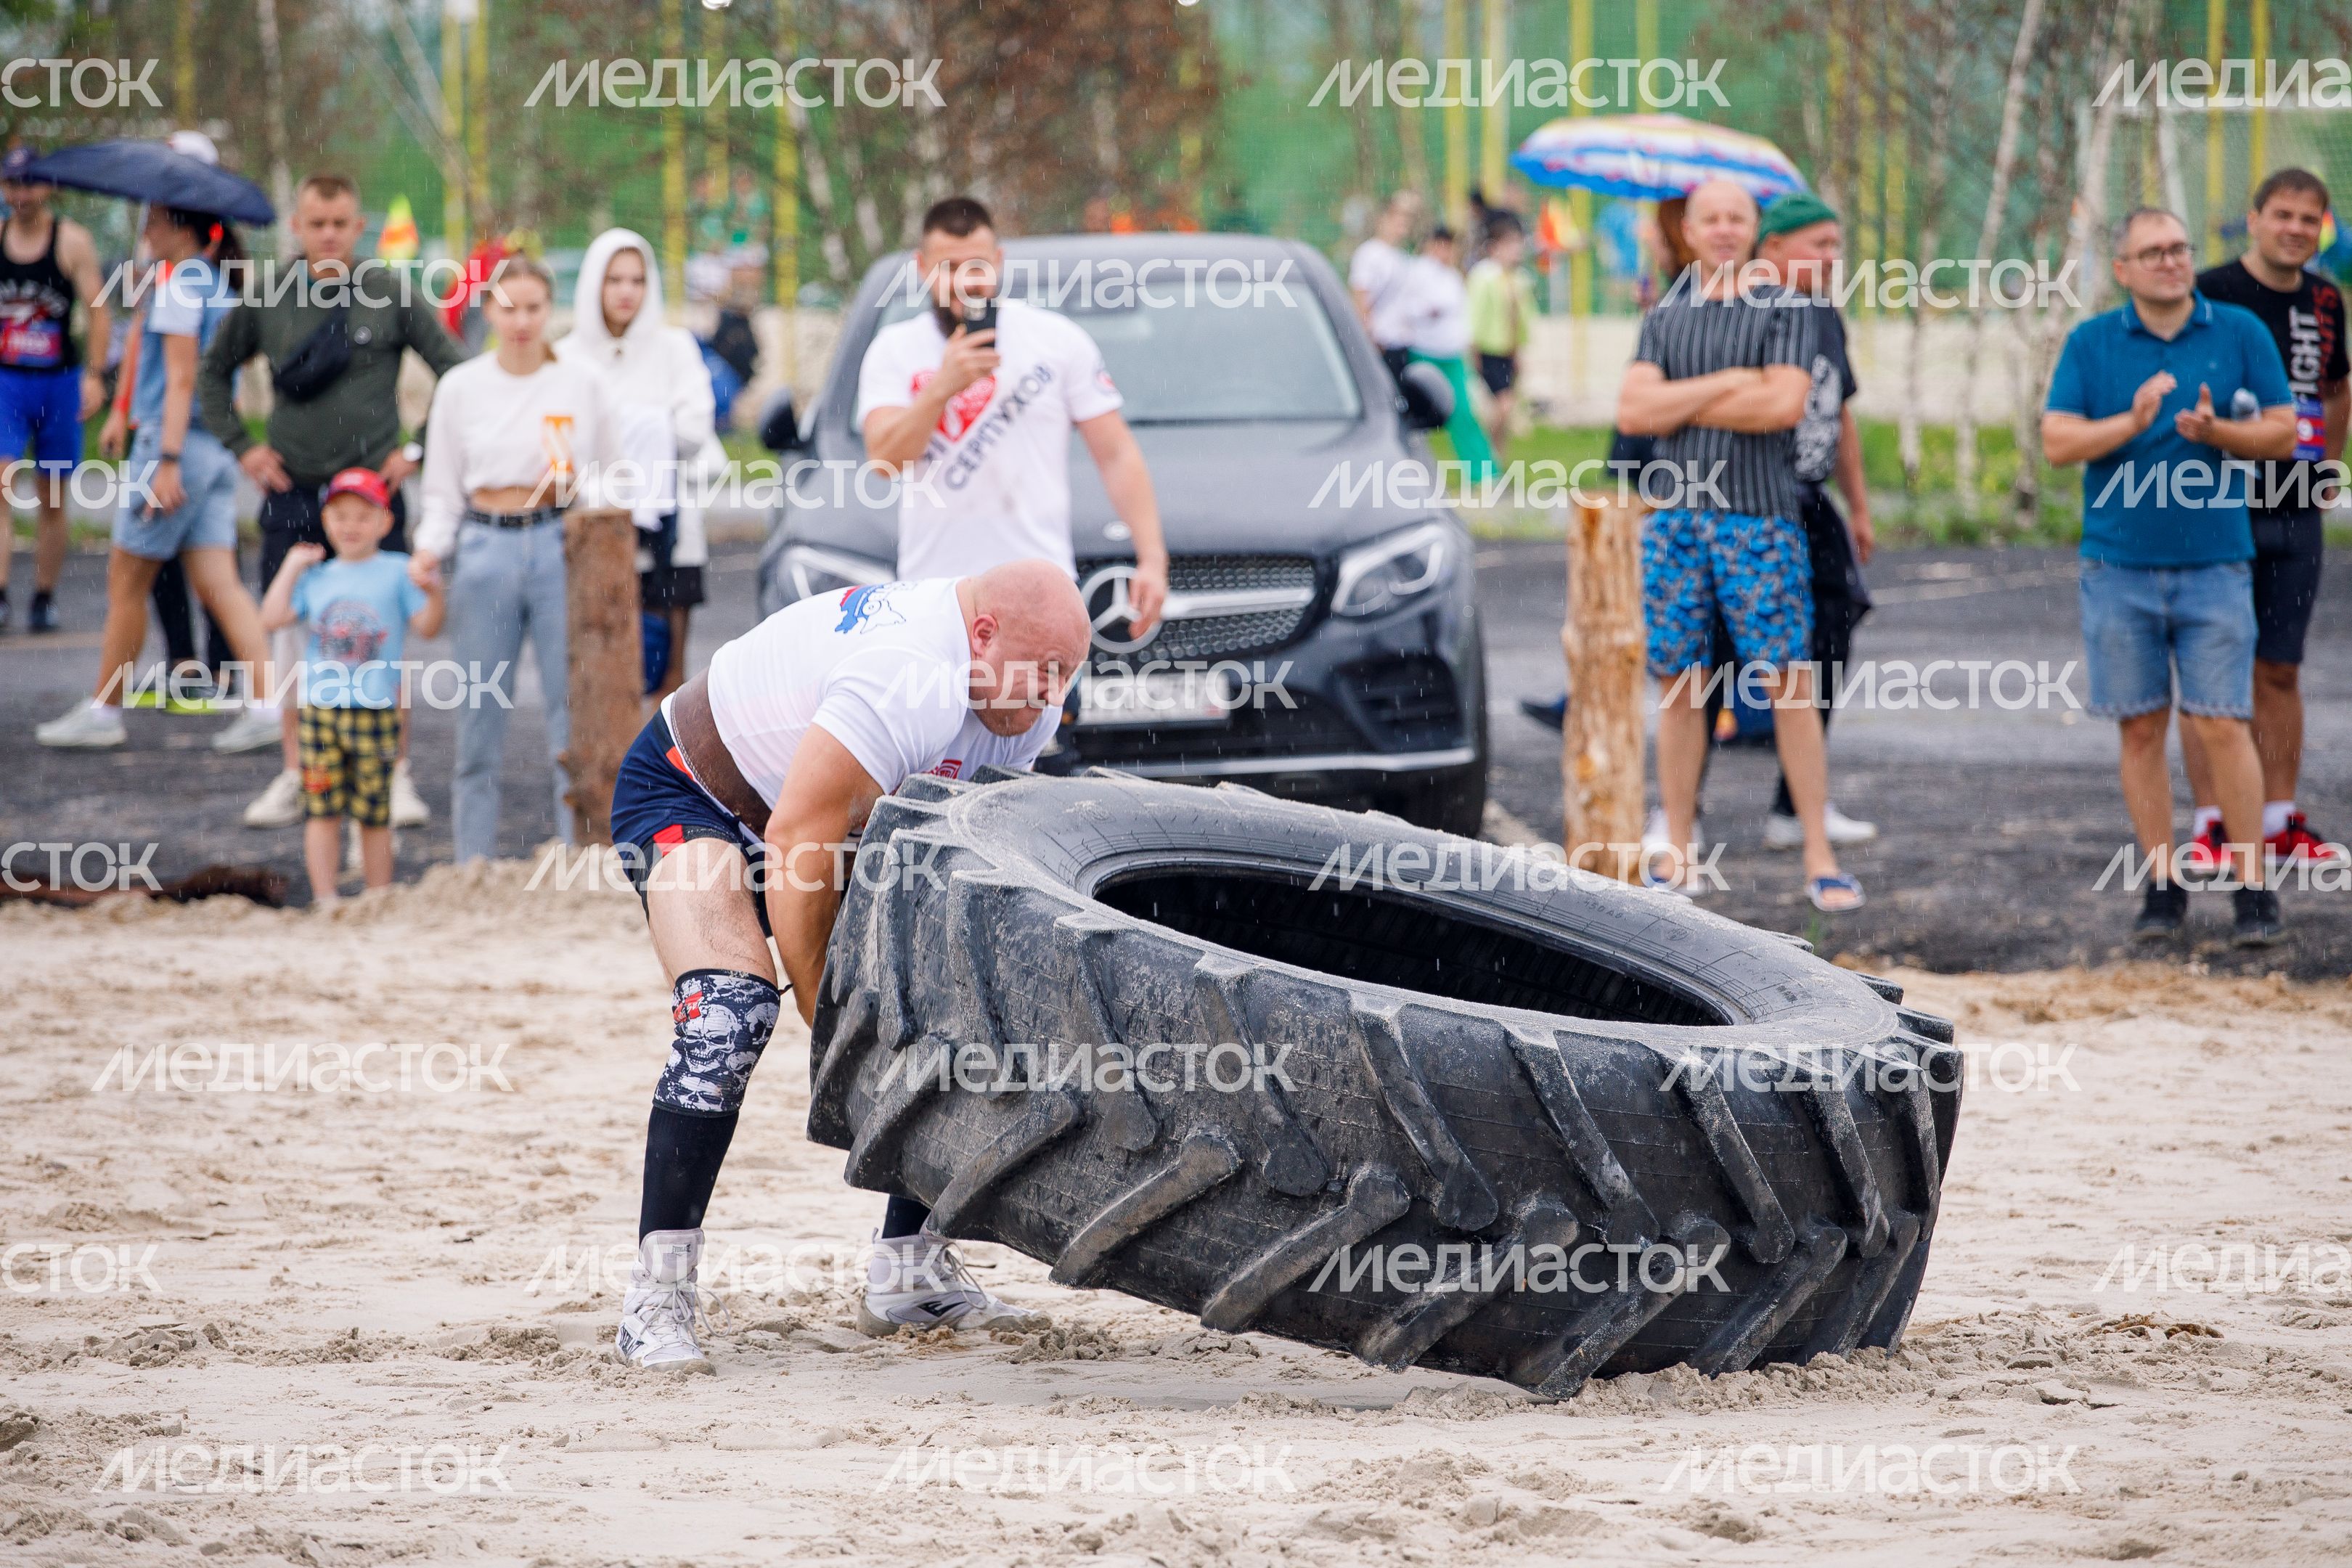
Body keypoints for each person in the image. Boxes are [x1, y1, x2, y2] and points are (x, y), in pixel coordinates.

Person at [605, 560, 1090, 1369]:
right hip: (691, 794)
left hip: (824, 827)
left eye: (1067, 674)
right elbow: (799, 839)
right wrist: (826, 1012)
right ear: (982, 635)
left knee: (961, 993)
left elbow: (957, 864)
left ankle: (909, 1273)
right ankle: (655, 1298)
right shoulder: (912, 676)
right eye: (1045, 671)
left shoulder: (1019, 705)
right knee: (728, 1013)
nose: (1055, 698)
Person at [2041, 206, 2295, 947]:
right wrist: (2131, 422)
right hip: (2118, 567)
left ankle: (2253, 888)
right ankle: (2162, 883)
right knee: (2142, 727)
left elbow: (2283, 431)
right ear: (2122, 269)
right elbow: (2057, 441)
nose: (2172, 260)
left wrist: (2219, 433)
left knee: (2222, 723)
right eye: (2153, 251)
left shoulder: (2239, 332)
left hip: (2216, 564)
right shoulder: (2092, 342)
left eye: (2180, 248)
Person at [1614, 177, 1858, 911]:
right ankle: (1679, 848)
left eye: (1736, 218)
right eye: (1710, 218)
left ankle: (1817, 852)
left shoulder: (1789, 309)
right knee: (1680, 686)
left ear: (1754, 230)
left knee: (1789, 683)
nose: (1723, 229)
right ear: (1687, 231)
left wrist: (1679, 400)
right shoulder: (1666, 313)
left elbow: (1781, 405)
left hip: (1759, 519)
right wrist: (1726, 383)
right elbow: (1634, 411)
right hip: (1677, 522)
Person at [199, 172, 467, 830]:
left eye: (339, 224)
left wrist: (417, 449)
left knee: (384, 640)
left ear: (357, 227)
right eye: (316, 224)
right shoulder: (268, 295)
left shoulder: (389, 292)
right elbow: (212, 370)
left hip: (373, 497)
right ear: (297, 226)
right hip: (292, 493)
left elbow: (457, 372)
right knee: (293, 643)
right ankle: (298, 774)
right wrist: (243, 447)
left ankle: (394, 776)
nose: (327, 236)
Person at [857, 195, 1167, 634]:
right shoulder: (894, 349)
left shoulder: (1056, 340)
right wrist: (942, 388)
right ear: (922, 268)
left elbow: (1116, 454)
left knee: (1048, 683)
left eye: (977, 267)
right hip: (935, 594)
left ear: (998, 263)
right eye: (949, 268)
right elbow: (886, 462)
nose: (965, 282)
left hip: (1040, 586)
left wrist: (1152, 559)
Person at [35, 205, 278, 752]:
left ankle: (104, 711)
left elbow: (182, 379)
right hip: (213, 449)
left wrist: (166, 460)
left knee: (126, 583)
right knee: (221, 585)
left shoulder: (180, 289)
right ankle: (268, 705)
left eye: (155, 221)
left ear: (181, 228)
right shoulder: (216, 286)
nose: (145, 230)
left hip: (174, 451)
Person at [412, 255, 618, 862]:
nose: (522, 321)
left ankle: (577, 856)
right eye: (509, 308)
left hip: (559, 541)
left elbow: (612, 473)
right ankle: (472, 863)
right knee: (479, 711)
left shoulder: (581, 383)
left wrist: (585, 499)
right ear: (489, 311)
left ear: (549, 309)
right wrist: (429, 549)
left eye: (534, 307)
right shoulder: (461, 387)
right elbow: (442, 488)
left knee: (569, 711)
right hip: (486, 543)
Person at [2184, 168, 2351, 869]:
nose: (2295, 229)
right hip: (2219, 505)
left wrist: (2327, 470)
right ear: (2253, 220)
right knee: (2210, 670)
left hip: (2294, 506)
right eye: (2283, 214)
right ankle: (2213, 824)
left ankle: (2279, 821)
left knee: (2280, 667)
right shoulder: (2210, 292)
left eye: (2309, 219)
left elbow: (2337, 388)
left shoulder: (2325, 299)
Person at [1749, 192, 1879, 852]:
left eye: (1836, 245)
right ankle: (1676, 815)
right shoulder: (1741, 310)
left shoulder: (1824, 314)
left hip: (1811, 497)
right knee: (1714, 650)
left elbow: (1840, 413)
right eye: (1818, 245)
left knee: (1832, 629)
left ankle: (1796, 805)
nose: (1832, 257)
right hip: (1746, 498)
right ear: (1773, 247)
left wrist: (1858, 505)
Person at [259, 468, 444, 905]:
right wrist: (291, 566)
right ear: (325, 521)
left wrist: (435, 593)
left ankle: (378, 896)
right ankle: (327, 898)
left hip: (376, 709)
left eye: (364, 517)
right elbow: (272, 617)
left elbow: (429, 626)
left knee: (375, 815)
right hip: (319, 712)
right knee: (321, 812)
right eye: (341, 516)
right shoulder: (316, 576)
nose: (351, 526)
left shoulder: (398, 571)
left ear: (385, 522)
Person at [556, 229, 719, 703]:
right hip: (595, 530)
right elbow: (563, 447)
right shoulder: (567, 356)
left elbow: (694, 427)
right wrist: (642, 430)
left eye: (637, 280)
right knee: (601, 677)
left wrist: (626, 428)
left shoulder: (675, 348)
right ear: (594, 283)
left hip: (670, 535)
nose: (626, 291)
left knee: (668, 682)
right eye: (614, 280)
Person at [0, 145, 111, 635]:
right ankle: (1, 593)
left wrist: (94, 375)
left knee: (52, 497)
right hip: (7, 380)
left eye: (29, 184)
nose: (21, 195)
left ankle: (44, 596)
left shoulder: (71, 241)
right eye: (12, 185)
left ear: (48, 187)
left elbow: (99, 310)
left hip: (58, 383)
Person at [1395, 225, 1500, 481]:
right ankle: (1412, 471)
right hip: (1426, 353)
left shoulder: (1452, 276)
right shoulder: (1417, 273)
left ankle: (1483, 472)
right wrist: (1428, 311)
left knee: (1463, 413)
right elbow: (1405, 309)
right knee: (1418, 419)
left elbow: (1461, 316)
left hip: (1452, 354)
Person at [1466, 211, 1536, 459]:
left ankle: (1498, 458)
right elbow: (1474, 315)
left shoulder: (1519, 278)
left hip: (1510, 350)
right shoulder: (1484, 276)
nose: (1515, 250)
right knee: (1503, 406)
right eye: (1509, 244)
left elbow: (1522, 319)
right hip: (1489, 350)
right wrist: (1473, 351)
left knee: (1505, 408)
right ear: (1494, 247)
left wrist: (1520, 350)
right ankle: (1486, 451)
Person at [1350, 190, 1423, 380]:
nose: (1402, 224)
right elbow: (1360, 297)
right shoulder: (1369, 253)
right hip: (1381, 344)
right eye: (1397, 217)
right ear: (1383, 219)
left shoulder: (1401, 256)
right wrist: (1369, 337)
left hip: (1402, 343)